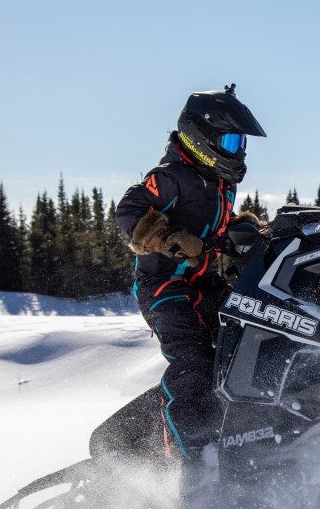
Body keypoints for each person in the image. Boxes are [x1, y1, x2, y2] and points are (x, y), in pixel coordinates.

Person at [112, 84, 266, 463]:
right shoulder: (171, 176)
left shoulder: (219, 185)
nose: (237, 151)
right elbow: (129, 211)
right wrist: (168, 237)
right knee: (194, 363)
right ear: (201, 137)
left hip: (208, 285)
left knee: (241, 348)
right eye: (230, 141)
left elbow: (220, 227)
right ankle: (188, 459)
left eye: (240, 143)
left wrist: (250, 235)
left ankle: (250, 428)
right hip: (166, 289)